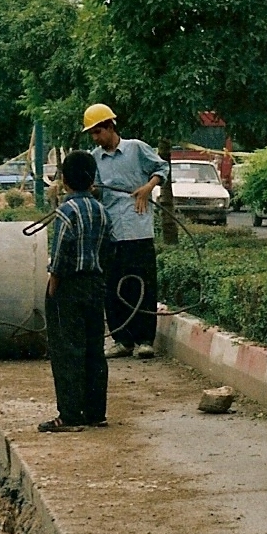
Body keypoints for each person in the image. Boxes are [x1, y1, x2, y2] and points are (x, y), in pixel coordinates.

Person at [83, 103, 165, 359]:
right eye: (92, 135)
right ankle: (122, 340)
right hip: (111, 232)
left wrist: (147, 187)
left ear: (110, 127)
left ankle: (144, 340)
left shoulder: (136, 149)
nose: (96, 138)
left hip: (137, 228)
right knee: (112, 288)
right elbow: (95, 190)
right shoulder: (95, 158)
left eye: (98, 132)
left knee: (142, 287)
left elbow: (162, 168)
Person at [39, 151, 111, 432]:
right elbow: (108, 248)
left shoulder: (66, 212)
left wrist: (53, 284)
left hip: (69, 285)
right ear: (93, 180)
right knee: (94, 349)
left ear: (64, 180)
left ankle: (69, 415)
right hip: (95, 284)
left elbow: (60, 253)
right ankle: (95, 413)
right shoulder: (101, 211)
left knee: (67, 348)